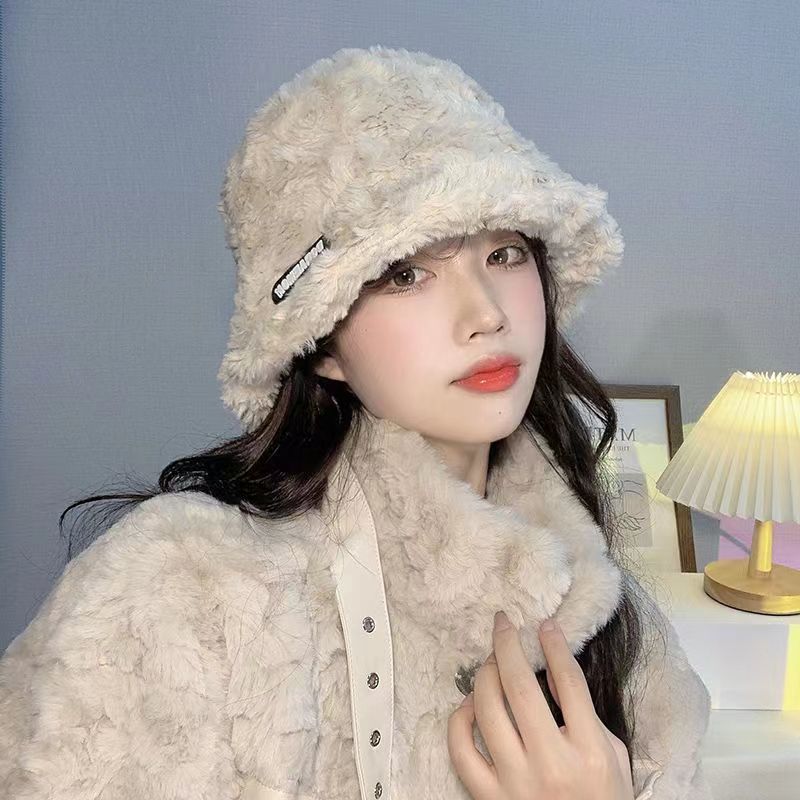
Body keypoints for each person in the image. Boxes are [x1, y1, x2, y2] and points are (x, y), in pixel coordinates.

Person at [0, 46, 713, 800]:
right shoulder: (184, 589)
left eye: (505, 253)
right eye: (407, 273)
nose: (486, 313)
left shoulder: (602, 605)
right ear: (322, 344)